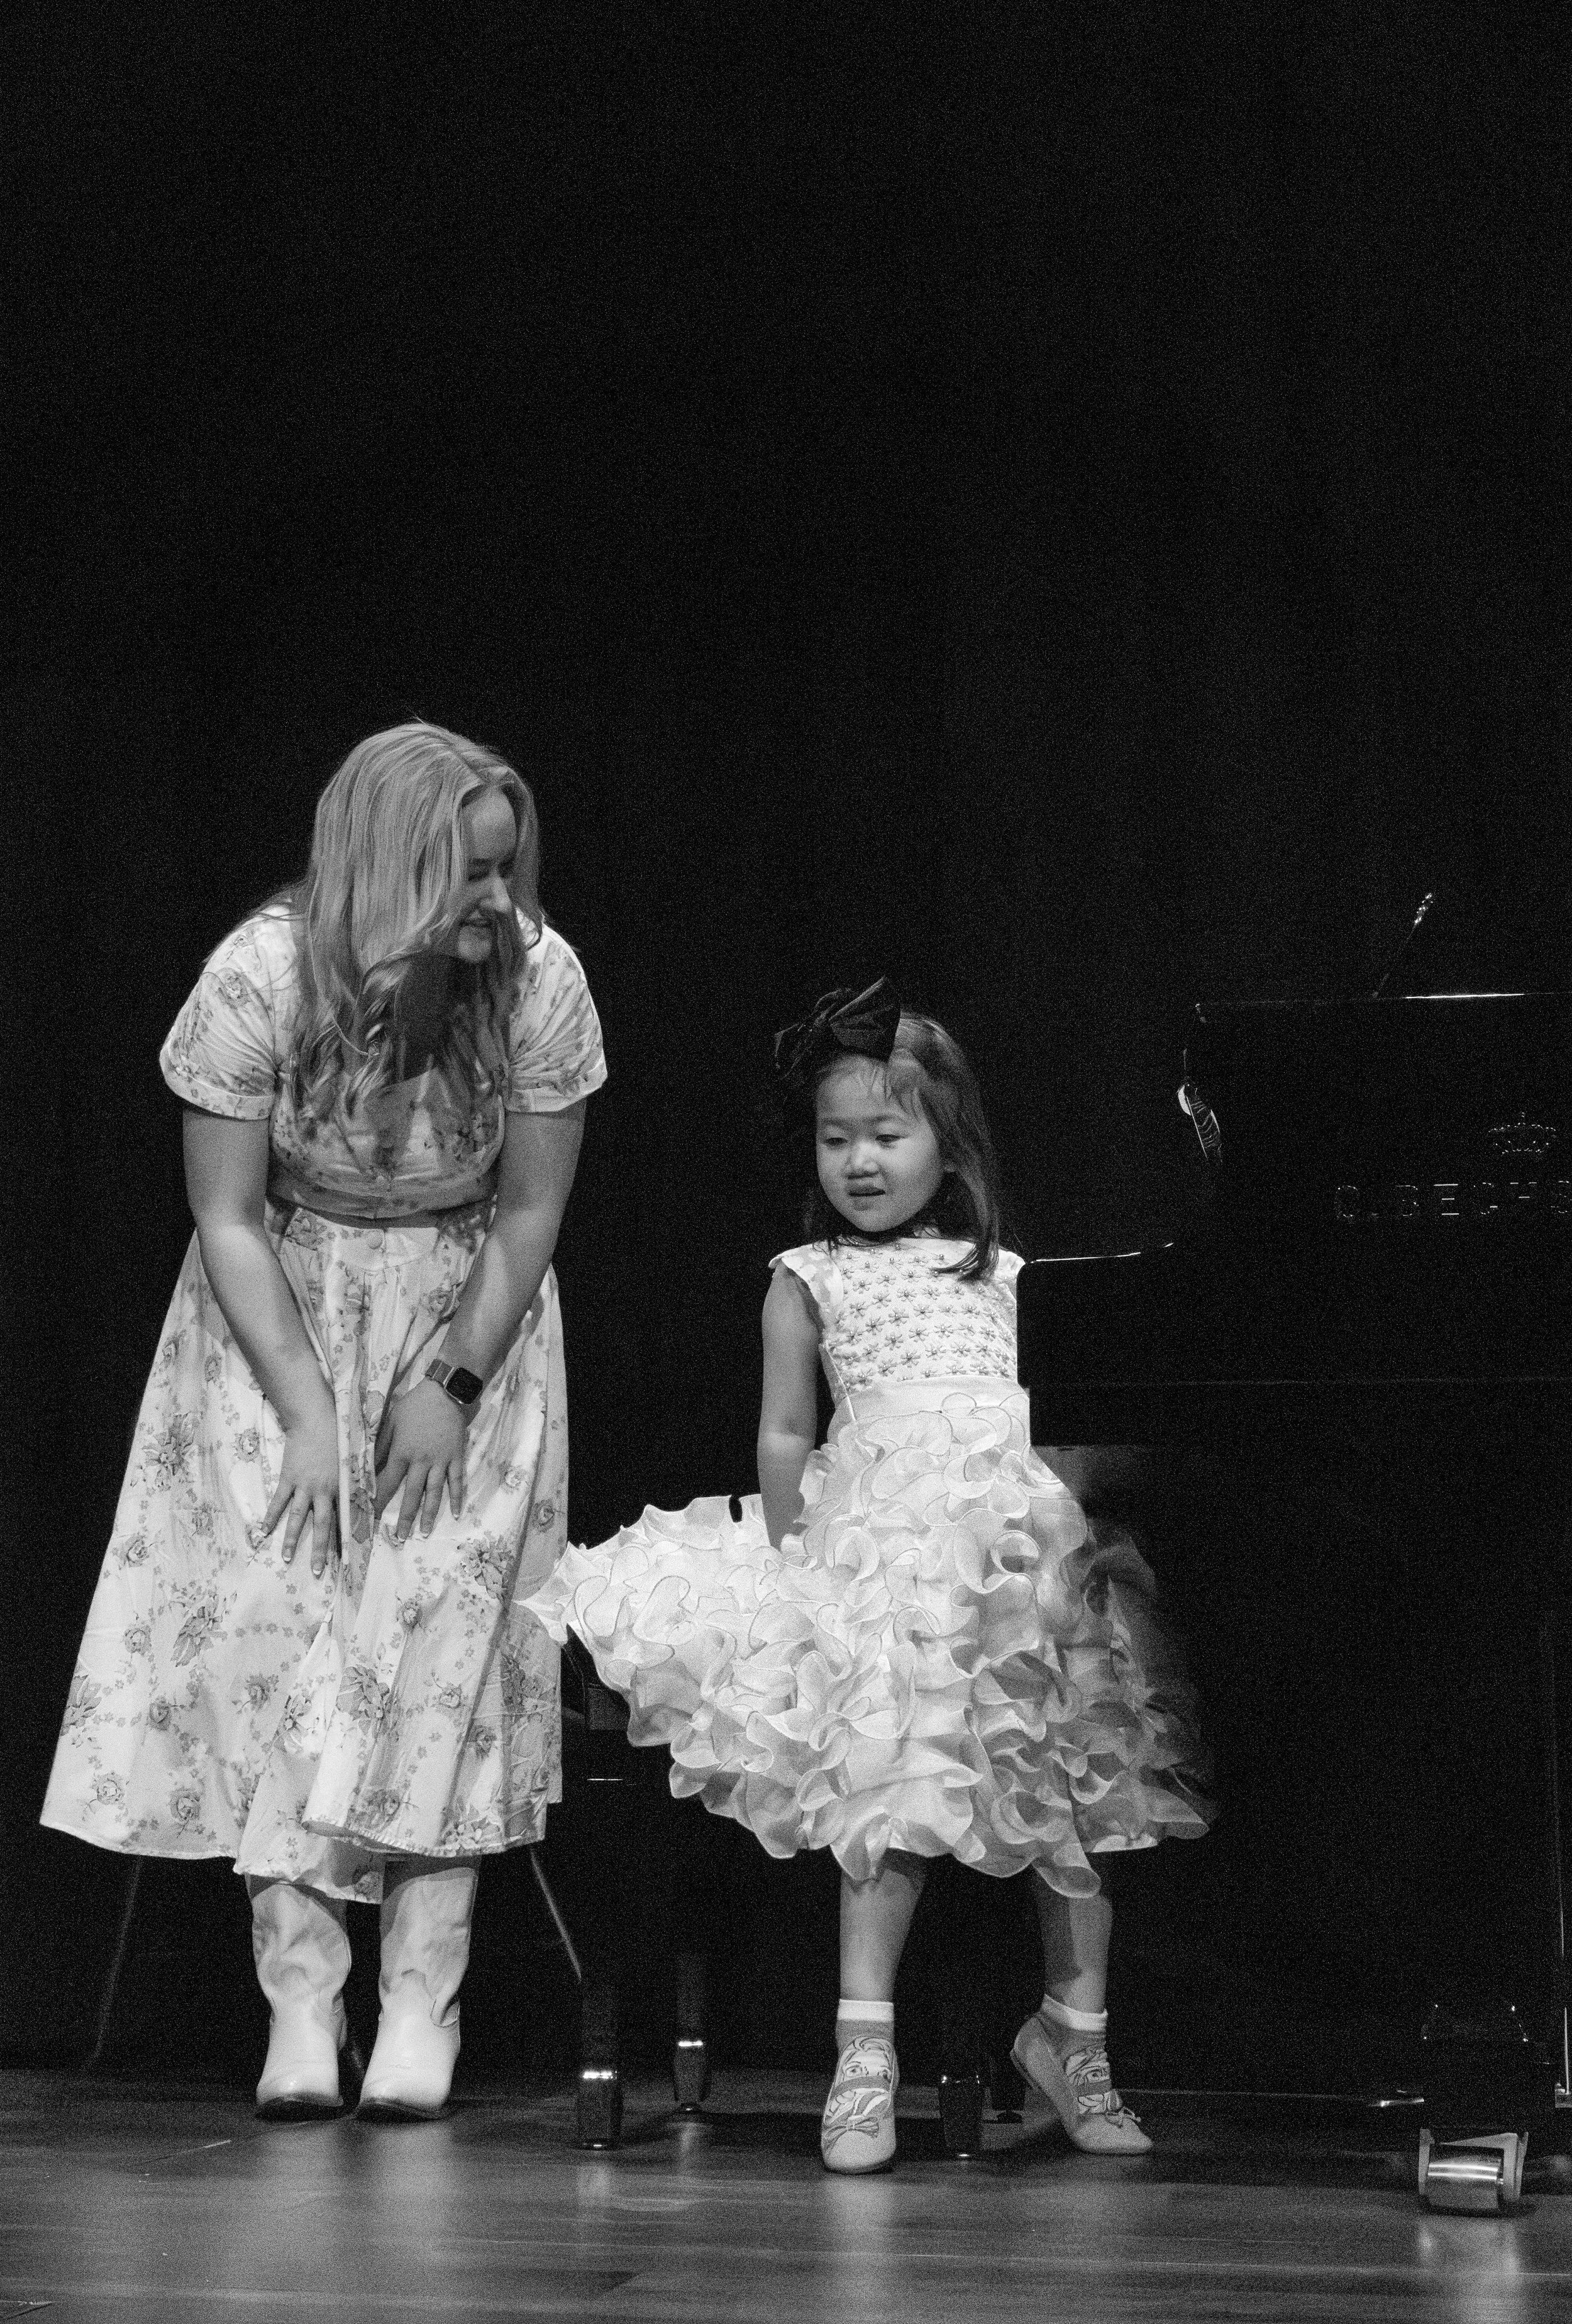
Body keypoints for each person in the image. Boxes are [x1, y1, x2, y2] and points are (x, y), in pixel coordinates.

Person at [527, 981, 1208, 2172]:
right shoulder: (810, 1275)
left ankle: (1075, 2035)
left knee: (1076, 1794)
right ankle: (864, 2052)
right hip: (875, 1563)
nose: (860, 1160)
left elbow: (1059, 1427)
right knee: (889, 1782)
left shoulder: (1004, 1278)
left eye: (886, 1135)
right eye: (837, 1139)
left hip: (1008, 1565)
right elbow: (787, 1434)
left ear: (949, 1146)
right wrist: (803, 1555)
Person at [43, 721, 606, 2122]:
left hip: (462, 1309)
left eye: (503, 871)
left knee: (438, 1646)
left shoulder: (537, 979)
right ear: (388, 867)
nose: (496, 903)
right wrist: (306, 1411)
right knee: (287, 1633)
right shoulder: (258, 975)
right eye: (468, 876)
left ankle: (423, 2004)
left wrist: (449, 1384)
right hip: (277, 1312)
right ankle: (302, 2002)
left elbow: (531, 1209)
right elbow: (227, 1214)